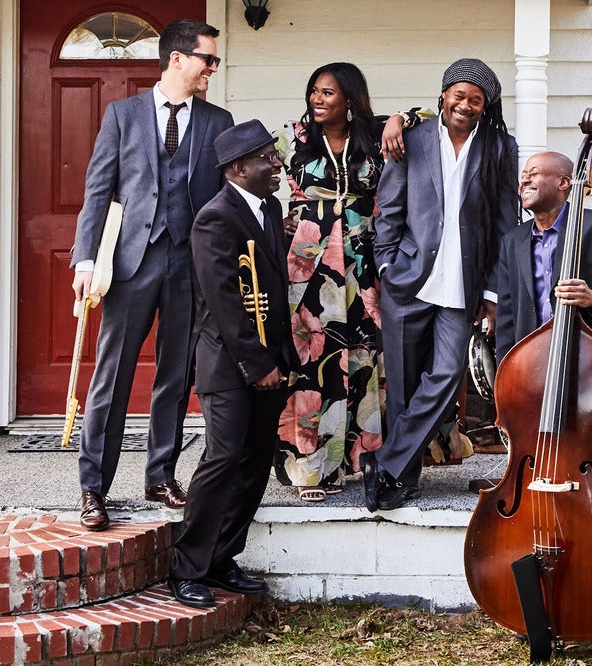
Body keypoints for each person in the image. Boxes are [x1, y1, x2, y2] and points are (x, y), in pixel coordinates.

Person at [69, 19, 234, 532]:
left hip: (190, 263)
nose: (213, 68)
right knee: (112, 375)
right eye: (208, 58)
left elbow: (227, 196)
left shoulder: (219, 120)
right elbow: (98, 190)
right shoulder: (123, 115)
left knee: (175, 376)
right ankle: (93, 487)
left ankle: (160, 476)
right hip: (131, 263)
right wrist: (85, 259)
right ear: (178, 58)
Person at [494, 150, 592, 651]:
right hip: (533, 384)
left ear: (565, 182)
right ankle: (541, 602)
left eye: (534, 174)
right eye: (523, 176)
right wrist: (507, 381)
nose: (524, 180)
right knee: (537, 484)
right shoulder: (514, 241)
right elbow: (508, 320)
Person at [367, 58, 519, 512]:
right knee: (403, 385)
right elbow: (389, 209)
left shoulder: (499, 147)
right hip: (408, 281)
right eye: (459, 95)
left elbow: (504, 224)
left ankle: (386, 462)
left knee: (447, 375)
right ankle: (403, 478)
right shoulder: (411, 139)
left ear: (486, 106)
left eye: (476, 100)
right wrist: (387, 265)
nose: (466, 105)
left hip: (461, 287)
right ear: (444, 95)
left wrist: (491, 292)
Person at [272, 63, 422, 502]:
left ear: (351, 99)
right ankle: (312, 467)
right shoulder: (292, 137)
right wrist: (277, 220)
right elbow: (248, 176)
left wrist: (400, 119)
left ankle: (363, 458)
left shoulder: (376, 136)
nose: (317, 100)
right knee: (313, 356)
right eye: (314, 91)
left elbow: (431, 114)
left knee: (364, 353)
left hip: (364, 258)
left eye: (328, 93)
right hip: (308, 261)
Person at [166, 120, 298, 609]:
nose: (277, 164)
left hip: (268, 359)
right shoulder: (215, 218)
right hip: (228, 363)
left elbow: (272, 288)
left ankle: (222, 558)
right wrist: (257, 364)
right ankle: (187, 568)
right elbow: (223, 301)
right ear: (238, 168)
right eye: (267, 158)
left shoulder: (269, 209)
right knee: (222, 459)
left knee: (256, 459)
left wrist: (280, 358)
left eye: (276, 155)